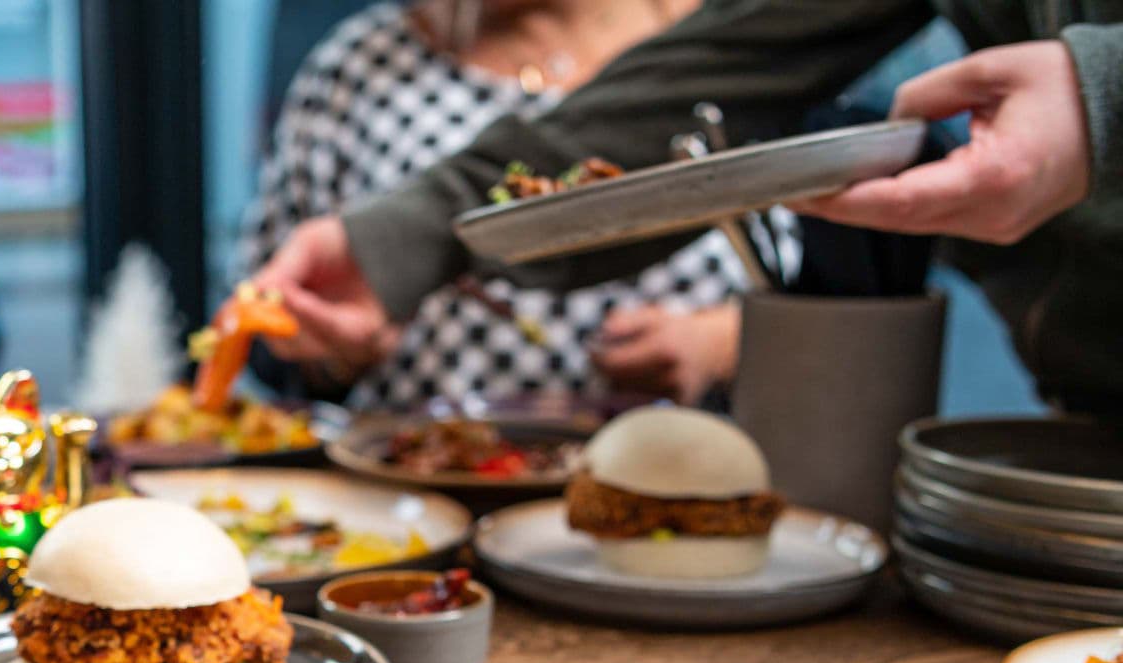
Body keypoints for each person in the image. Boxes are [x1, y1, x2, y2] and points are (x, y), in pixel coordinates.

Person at [249, 2, 1117, 416]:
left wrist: (1104, 98)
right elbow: (740, 64)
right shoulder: (361, 59)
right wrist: (405, 239)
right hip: (1082, 420)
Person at [244, 0, 770, 410]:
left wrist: (725, 342)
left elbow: (829, 283)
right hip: (423, 498)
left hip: (683, 488)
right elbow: (265, 329)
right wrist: (331, 353)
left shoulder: (749, 55)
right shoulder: (361, 66)